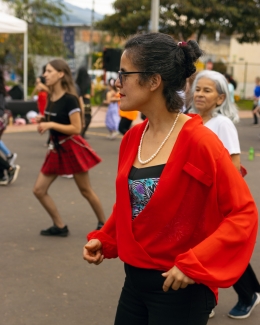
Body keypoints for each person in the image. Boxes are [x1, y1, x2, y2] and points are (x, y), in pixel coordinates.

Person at [83, 33, 258, 325]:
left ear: (154, 81)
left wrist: (195, 264)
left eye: (125, 74)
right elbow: (132, 202)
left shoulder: (201, 142)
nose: (117, 82)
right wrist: (107, 237)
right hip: (134, 283)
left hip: (181, 290)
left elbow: (243, 213)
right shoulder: (133, 138)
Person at [191, 69, 260, 319]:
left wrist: (222, 201)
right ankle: (207, 298)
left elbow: (233, 165)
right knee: (201, 247)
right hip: (194, 196)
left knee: (221, 249)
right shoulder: (190, 120)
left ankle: (248, 294)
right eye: (197, 89)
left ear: (220, 99)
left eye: (207, 90)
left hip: (217, 198)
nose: (200, 94)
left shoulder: (222, 124)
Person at [33, 59, 106, 236]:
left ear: (60, 74)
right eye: (45, 71)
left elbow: (76, 128)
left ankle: (105, 226)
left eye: (49, 71)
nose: (45, 75)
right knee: (39, 190)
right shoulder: (51, 96)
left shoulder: (70, 99)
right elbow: (55, 119)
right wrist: (43, 121)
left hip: (71, 147)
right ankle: (60, 226)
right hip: (56, 148)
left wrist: (50, 125)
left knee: (85, 190)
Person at [75, 66, 94, 138]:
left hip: (79, 101)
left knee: (80, 117)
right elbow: (92, 94)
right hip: (86, 101)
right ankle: (82, 133)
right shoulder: (89, 81)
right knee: (88, 117)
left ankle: (79, 133)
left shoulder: (77, 82)